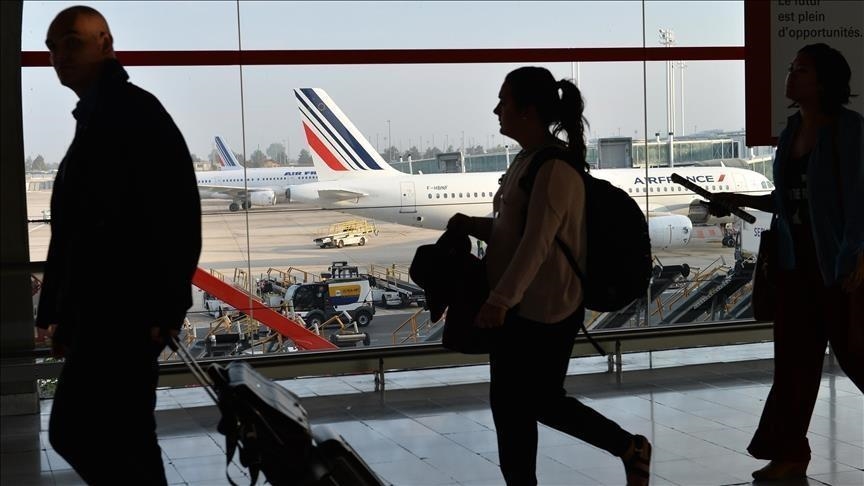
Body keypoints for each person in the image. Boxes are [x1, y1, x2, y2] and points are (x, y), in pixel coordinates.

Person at [447, 66, 651, 486]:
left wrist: (499, 300)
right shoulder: (527, 160)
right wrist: (474, 225)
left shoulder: (555, 170)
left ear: (528, 110)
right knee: (512, 408)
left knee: (537, 402)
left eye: (504, 101)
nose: (496, 110)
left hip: (548, 309)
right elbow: (515, 233)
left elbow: (537, 244)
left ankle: (630, 447)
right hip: (520, 307)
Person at [35, 6, 202, 485]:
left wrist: (165, 309)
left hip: (124, 315)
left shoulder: (129, 114)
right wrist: (61, 313)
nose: (59, 56)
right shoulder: (101, 114)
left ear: (106, 45)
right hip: (105, 313)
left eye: (71, 41)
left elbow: (175, 218)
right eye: (52, 47)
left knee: (78, 430)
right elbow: (79, 230)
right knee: (124, 435)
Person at [709, 43, 863, 481]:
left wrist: (855, 254)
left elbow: (857, 199)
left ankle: (791, 451)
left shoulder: (849, 130)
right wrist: (737, 198)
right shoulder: (792, 131)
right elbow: (789, 198)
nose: (791, 76)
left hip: (840, 267)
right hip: (796, 266)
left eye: (802, 70)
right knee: (794, 363)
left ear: (826, 81)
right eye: (792, 68)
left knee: (856, 354)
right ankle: (790, 451)